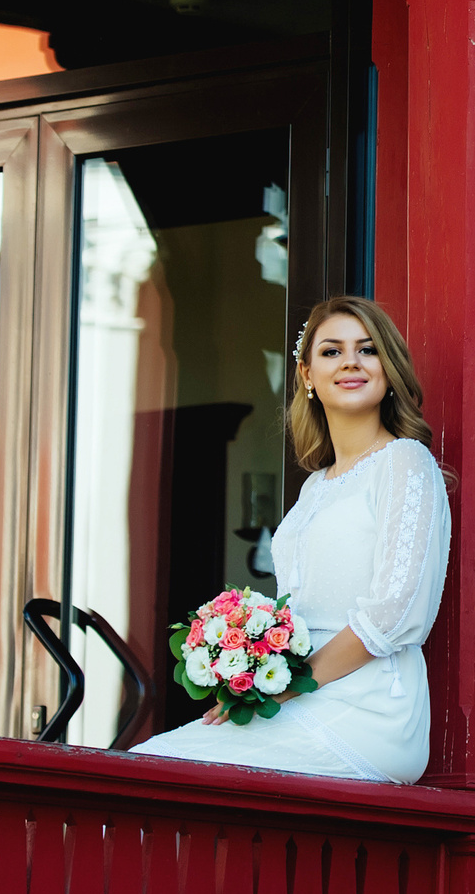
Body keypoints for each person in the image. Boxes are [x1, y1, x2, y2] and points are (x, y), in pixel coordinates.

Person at [129, 294, 451, 782]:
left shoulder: (405, 462)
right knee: (146, 761)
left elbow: (395, 613)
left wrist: (287, 688)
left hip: (369, 707)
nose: (350, 362)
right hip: (301, 693)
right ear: (306, 376)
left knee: (161, 771)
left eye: (367, 350)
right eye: (331, 351)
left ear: (389, 370)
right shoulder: (315, 486)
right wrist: (253, 676)